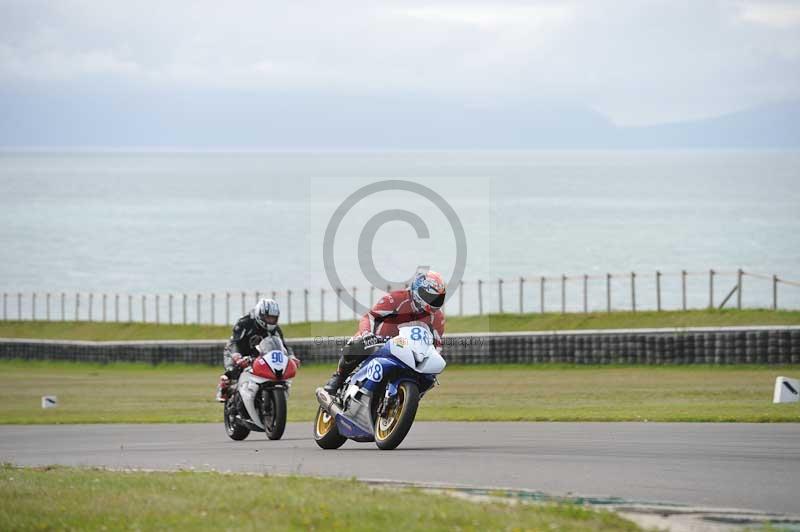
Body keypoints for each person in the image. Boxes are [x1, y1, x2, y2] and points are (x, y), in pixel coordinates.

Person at [322, 270, 447, 394]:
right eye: (430, 296)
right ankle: (338, 377)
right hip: (379, 341)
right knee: (357, 343)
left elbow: (436, 344)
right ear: (417, 290)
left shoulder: (437, 317)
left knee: (429, 376)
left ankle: (407, 398)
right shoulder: (396, 299)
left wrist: (432, 360)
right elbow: (369, 317)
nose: (433, 301)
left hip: (408, 350)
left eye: (437, 298)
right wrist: (366, 334)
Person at [215, 297, 287, 402]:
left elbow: (282, 345)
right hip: (238, 350)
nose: (270, 321)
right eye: (268, 318)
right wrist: (237, 356)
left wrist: (290, 356)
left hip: (258, 354)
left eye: (273, 318)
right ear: (260, 314)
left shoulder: (275, 329)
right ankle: (224, 386)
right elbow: (235, 342)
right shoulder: (244, 322)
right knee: (233, 369)